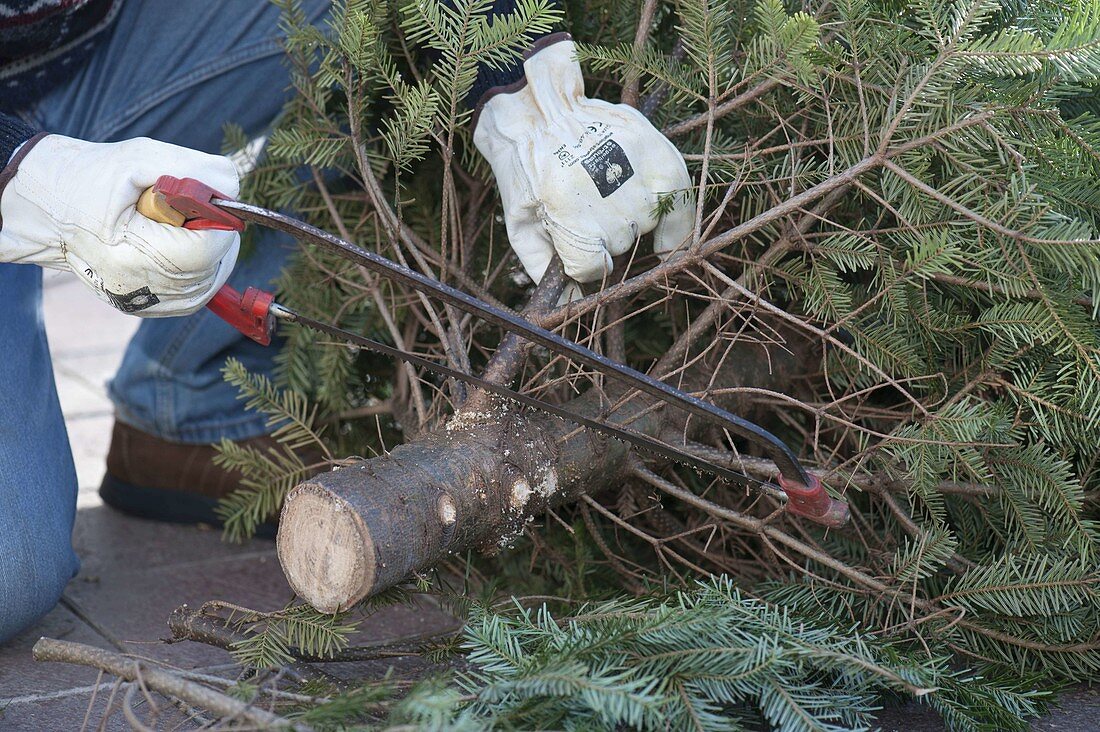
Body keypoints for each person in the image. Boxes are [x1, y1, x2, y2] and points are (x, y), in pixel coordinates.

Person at [0, 0, 691, 642]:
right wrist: (27, 177)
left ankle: (194, 399)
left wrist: (521, 84)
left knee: (362, 23)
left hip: (95, 44)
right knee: (10, 575)